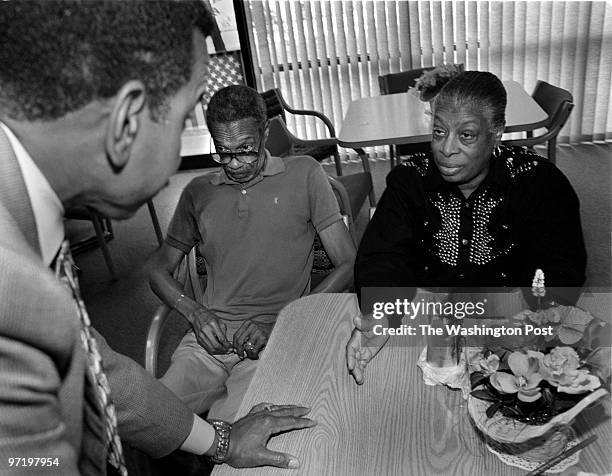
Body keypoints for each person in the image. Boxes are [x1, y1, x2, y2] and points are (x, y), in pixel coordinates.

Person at [0, 2, 315, 474]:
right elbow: (27, 461)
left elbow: (97, 372)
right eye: (186, 117)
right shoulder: (15, 283)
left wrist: (222, 440)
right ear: (127, 120)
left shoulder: (26, 216)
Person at [346, 71, 587, 384]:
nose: (447, 149)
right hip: (425, 327)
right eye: (438, 132)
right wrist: (380, 314)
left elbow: (560, 270)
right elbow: (382, 256)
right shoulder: (410, 181)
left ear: (496, 133)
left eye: (467, 136)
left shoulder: (538, 183)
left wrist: (533, 321)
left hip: (512, 331)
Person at [150, 84, 356, 421]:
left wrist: (283, 322)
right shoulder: (198, 192)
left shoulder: (304, 173)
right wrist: (194, 313)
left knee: (236, 434)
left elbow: (349, 263)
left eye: (245, 149)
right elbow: (157, 270)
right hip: (208, 342)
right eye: (223, 151)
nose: (234, 163)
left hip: (274, 343)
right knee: (148, 419)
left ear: (265, 133)